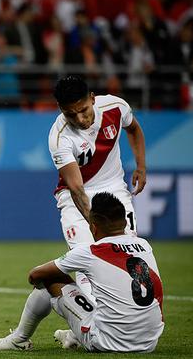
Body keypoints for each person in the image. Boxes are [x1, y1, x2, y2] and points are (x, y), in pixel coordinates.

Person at [0, 192, 164, 352]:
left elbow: (34, 275)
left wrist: (39, 284)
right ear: (125, 222)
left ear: (93, 227)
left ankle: (19, 338)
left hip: (106, 342)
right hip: (149, 343)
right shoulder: (144, 245)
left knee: (49, 277)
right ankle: (72, 335)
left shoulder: (90, 251)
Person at [48, 75, 146, 300]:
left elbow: (134, 130)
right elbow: (76, 188)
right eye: (70, 114)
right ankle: (93, 327)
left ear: (92, 98)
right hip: (75, 199)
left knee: (125, 256)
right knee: (86, 260)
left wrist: (141, 166)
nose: (80, 119)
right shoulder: (59, 136)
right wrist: (95, 225)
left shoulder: (116, 107)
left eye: (83, 110)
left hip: (114, 191)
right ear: (60, 109)